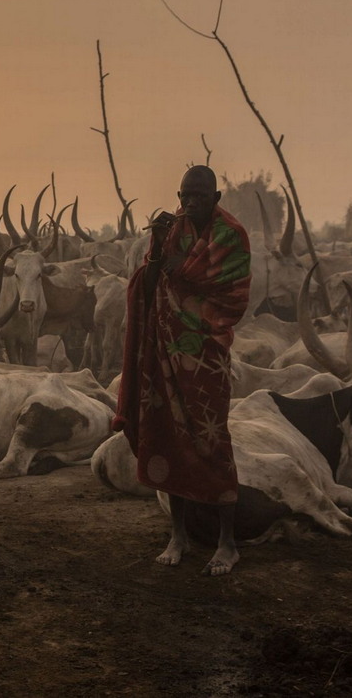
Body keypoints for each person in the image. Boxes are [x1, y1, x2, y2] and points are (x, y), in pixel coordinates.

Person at [113, 165, 252, 576]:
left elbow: (231, 293)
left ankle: (228, 542)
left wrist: (178, 266)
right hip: (164, 349)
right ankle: (178, 535)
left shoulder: (231, 235)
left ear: (216, 197)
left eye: (200, 197)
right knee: (167, 436)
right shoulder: (172, 228)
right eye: (185, 196)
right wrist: (157, 246)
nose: (191, 203)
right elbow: (151, 279)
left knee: (212, 441)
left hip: (205, 352)